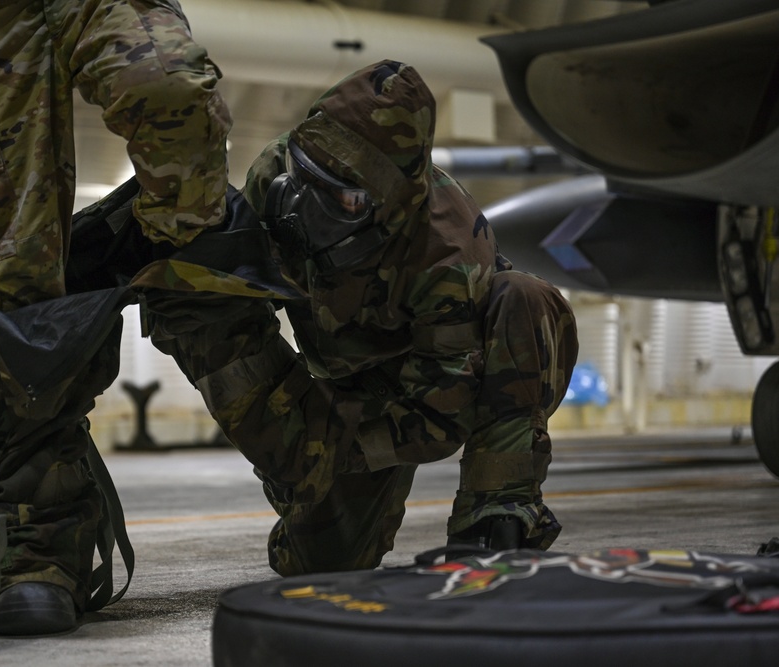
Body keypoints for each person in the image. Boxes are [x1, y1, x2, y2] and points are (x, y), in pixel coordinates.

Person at [137, 60, 578, 576]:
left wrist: (330, 451)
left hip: (418, 389)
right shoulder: (277, 173)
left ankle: (496, 512)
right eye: (309, 177)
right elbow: (236, 300)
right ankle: (297, 478)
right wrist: (288, 440)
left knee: (522, 297)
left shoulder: (446, 253)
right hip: (340, 381)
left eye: (344, 199)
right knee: (319, 564)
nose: (310, 206)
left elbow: (440, 417)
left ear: (393, 207)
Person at [0, 0, 232, 636]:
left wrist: (160, 242)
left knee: (172, 92)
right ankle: (41, 552)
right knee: (15, 276)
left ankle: (136, 258)